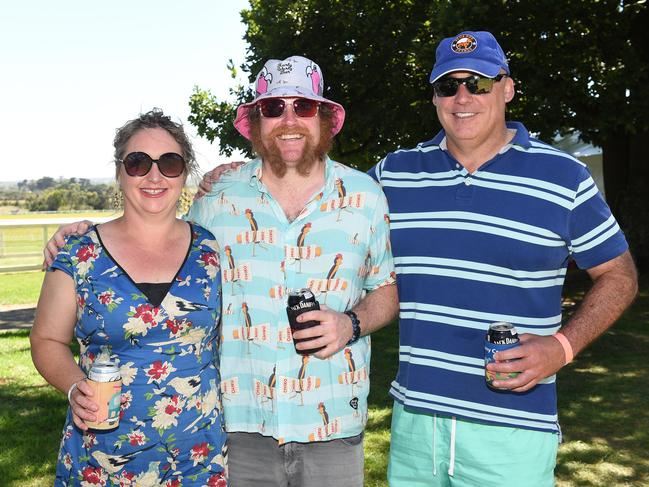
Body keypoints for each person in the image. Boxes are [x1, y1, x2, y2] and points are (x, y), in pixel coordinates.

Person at [44, 56, 399, 487]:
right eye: (273, 108)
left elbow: (387, 288)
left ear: (324, 118)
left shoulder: (366, 197)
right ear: (255, 122)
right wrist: (78, 235)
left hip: (332, 427)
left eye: (303, 107)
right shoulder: (216, 202)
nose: (289, 120)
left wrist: (351, 323)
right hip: (238, 431)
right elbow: (153, 227)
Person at [368, 31, 638, 486]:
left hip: (514, 430)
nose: (462, 96)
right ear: (435, 97)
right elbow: (322, 201)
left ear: (507, 88)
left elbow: (620, 275)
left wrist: (562, 347)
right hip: (415, 425)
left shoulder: (563, 177)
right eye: (447, 85)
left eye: (478, 82)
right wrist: (245, 174)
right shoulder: (394, 174)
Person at [32, 109, 227, 486]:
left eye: (169, 162)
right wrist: (75, 386)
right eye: (139, 163)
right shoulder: (78, 252)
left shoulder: (209, 250)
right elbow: (46, 339)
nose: (155, 176)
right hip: (102, 460)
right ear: (120, 173)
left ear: (185, 172)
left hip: (197, 462)